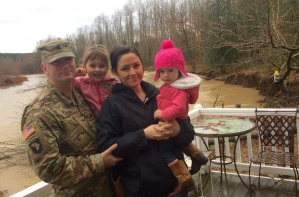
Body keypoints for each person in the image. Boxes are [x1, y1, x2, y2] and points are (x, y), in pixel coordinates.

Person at [21, 39, 122, 197]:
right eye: (57, 62)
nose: (65, 65)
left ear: (76, 62)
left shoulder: (81, 94)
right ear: (44, 68)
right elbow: (47, 168)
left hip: (107, 189)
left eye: (68, 59)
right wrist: (100, 162)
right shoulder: (39, 113)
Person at [96, 46, 196, 197]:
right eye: (125, 68)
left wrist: (178, 130)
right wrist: (143, 135)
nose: (132, 72)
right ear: (115, 73)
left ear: (142, 65)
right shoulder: (111, 105)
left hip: (176, 185)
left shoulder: (160, 93)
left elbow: (189, 132)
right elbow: (106, 146)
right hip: (141, 189)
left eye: (136, 65)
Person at [153, 39, 209, 195]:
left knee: (164, 150)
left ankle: (185, 180)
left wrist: (161, 114)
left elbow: (178, 108)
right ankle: (198, 157)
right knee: (176, 145)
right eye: (162, 71)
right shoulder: (169, 86)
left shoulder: (178, 89)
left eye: (170, 70)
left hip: (180, 122)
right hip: (179, 123)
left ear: (180, 70)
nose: (166, 75)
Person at [74, 45, 117, 117]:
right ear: (85, 66)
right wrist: (74, 74)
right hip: (93, 122)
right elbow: (65, 83)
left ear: (107, 67)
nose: (97, 69)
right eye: (92, 66)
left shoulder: (112, 83)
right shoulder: (80, 82)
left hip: (111, 121)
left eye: (102, 66)